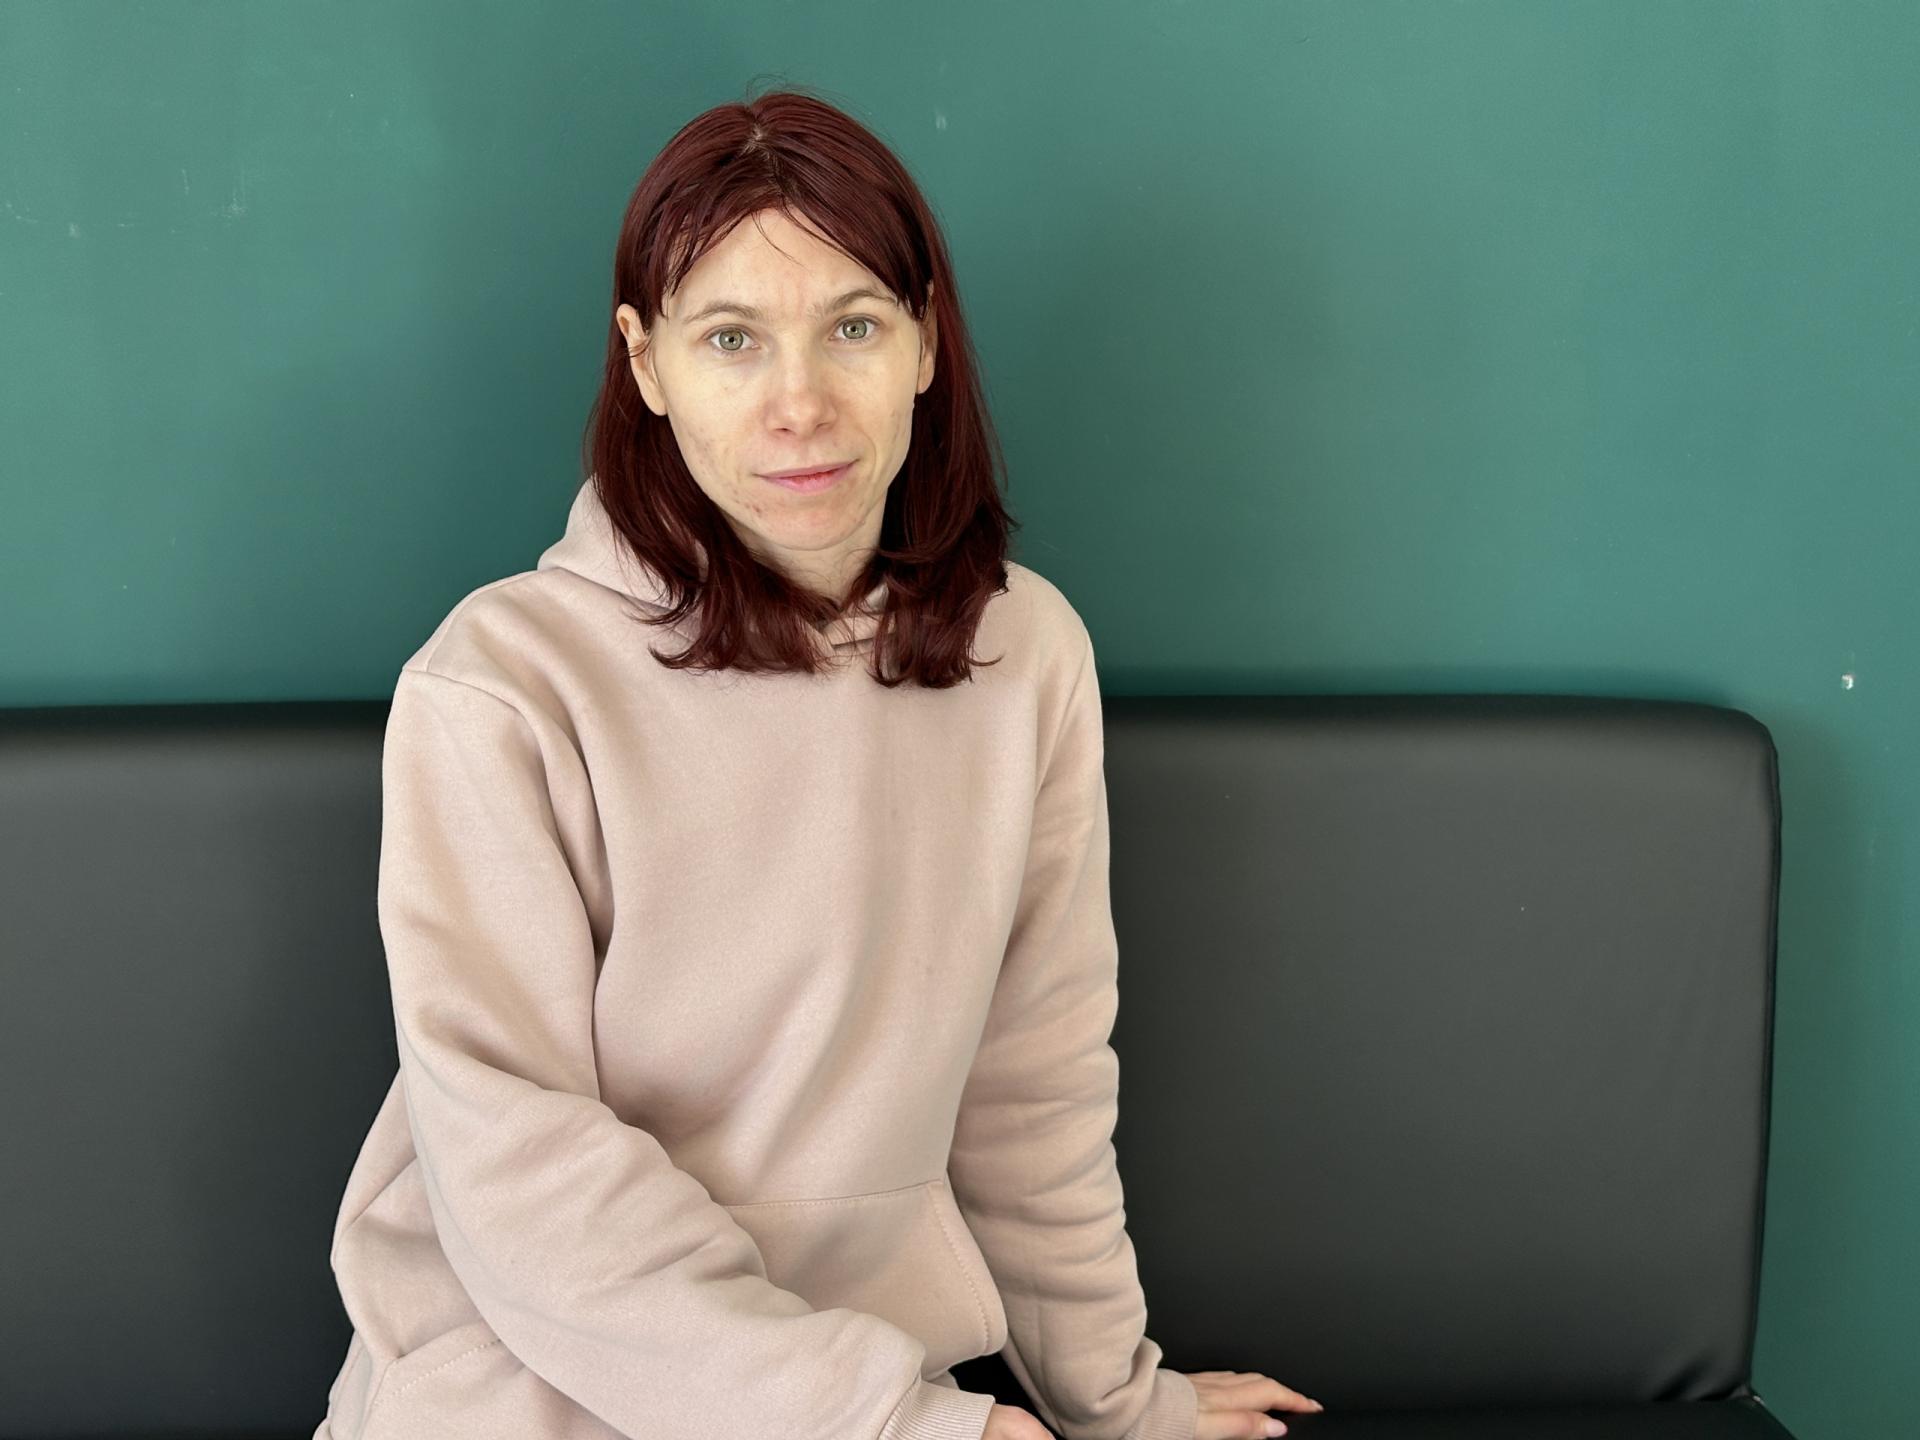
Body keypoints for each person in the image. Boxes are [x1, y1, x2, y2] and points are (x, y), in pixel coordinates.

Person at [312, 86, 1323, 1440]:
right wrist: (895, 1426)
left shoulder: (1026, 654)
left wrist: (1117, 1405)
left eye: (853, 326)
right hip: (528, 1386)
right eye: (731, 339)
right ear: (646, 363)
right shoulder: (497, 685)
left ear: (924, 344)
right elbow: (517, 1167)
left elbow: (1034, 1093)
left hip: (868, 1382)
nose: (799, 404)